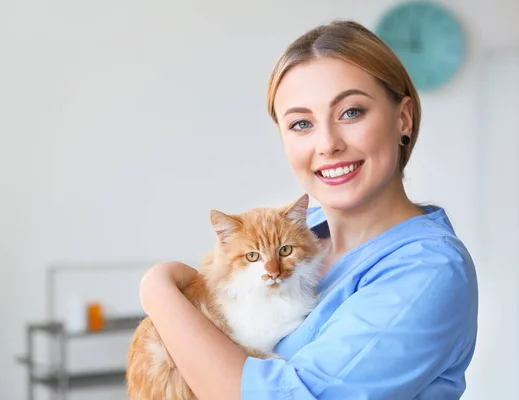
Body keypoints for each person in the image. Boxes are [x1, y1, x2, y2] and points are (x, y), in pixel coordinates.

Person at [139, 19, 478, 400]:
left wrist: (158, 291)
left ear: (403, 118)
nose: (327, 144)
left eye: (351, 112)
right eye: (301, 123)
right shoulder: (303, 232)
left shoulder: (427, 270)